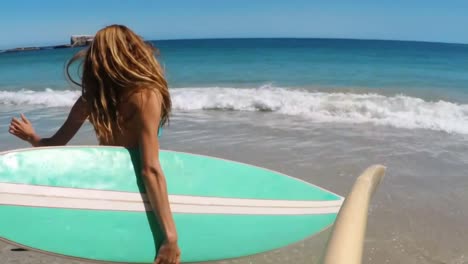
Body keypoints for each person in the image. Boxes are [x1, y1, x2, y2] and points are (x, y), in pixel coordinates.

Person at [8, 25, 180, 264]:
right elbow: (149, 168)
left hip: (111, 190)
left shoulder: (91, 98)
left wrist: (32, 137)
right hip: (142, 192)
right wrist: (170, 237)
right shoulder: (146, 95)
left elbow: (55, 144)